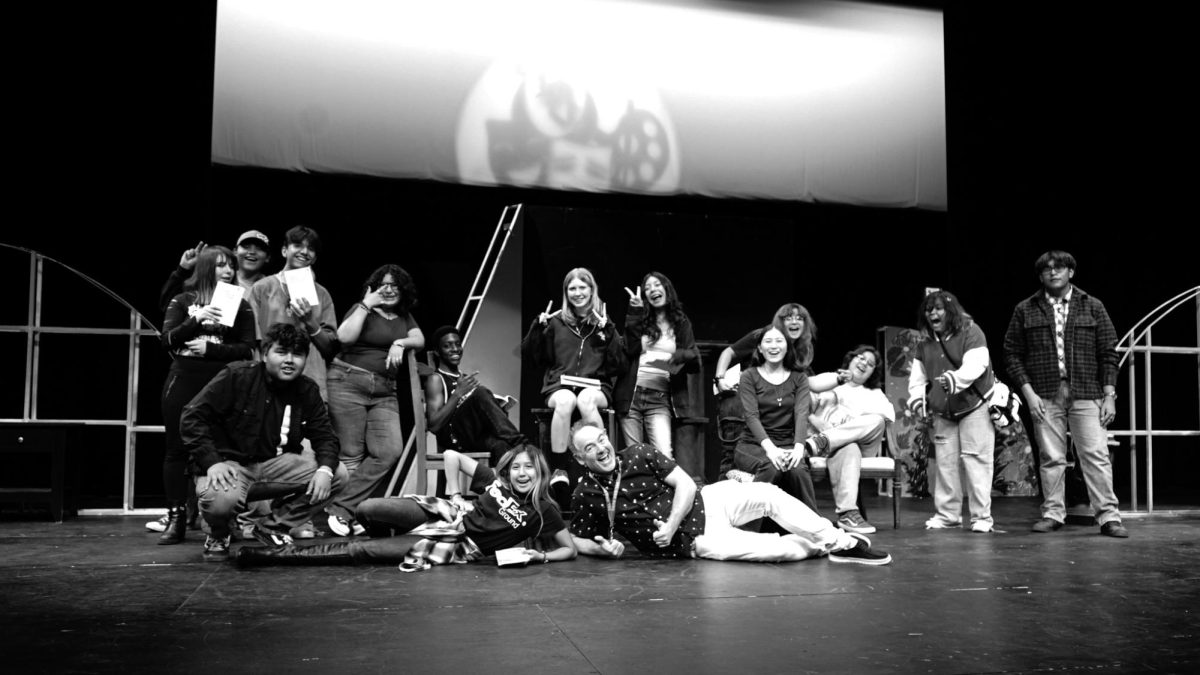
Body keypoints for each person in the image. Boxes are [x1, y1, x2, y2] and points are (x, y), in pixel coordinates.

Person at [567, 421, 890, 565]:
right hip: (695, 543)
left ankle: (842, 543)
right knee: (781, 553)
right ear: (581, 458)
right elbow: (579, 537)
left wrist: (671, 522)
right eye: (590, 447)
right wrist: (603, 550)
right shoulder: (585, 493)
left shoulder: (638, 453)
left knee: (768, 493)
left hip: (707, 500)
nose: (601, 448)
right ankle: (821, 545)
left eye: (602, 439)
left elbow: (685, 483)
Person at [235, 445, 577, 569]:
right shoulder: (495, 481)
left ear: (540, 472)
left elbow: (570, 549)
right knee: (367, 508)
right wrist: (457, 495)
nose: (521, 473)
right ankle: (395, 532)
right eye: (516, 467)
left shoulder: (544, 511)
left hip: (454, 545)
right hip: (444, 513)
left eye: (528, 467)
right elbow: (453, 456)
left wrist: (541, 556)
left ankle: (264, 557)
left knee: (362, 551)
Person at [180, 323, 348, 562]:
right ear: (264, 353)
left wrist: (324, 470)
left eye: (297, 354)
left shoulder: (307, 389)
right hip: (229, 467)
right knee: (219, 500)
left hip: (273, 467)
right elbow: (192, 417)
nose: (290, 360)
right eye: (282, 352)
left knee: (337, 473)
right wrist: (212, 462)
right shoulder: (237, 375)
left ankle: (272, 526)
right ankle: (219, 533)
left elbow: (325, 436)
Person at [1003, 251, 1127, 538]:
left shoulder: (1092, 305)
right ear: (1040, 276)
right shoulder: (1026, 308)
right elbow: (1012, 353)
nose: (1053, 272)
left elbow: (1109, 351)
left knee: (1095, 455)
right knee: (1051, 457)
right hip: (1045, 392)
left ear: (1071, 272)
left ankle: (1109, 517)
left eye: (1059, 267)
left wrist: (1109, 394)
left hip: (1086, 390)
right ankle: (1053, 513)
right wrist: (1028, 393)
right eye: (1046, 269)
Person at [155, 245, 257, 544]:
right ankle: (176, 519)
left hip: (224, 384)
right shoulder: (183, 300)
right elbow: (167, 340)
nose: (228, 271)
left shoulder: (240, 305)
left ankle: (229, 517)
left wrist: (211, 349)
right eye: (221, 265)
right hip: (185, 379)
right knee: (176, 449)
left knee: (227, 451)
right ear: (206, 268)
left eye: (231, 266)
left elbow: (247, 347)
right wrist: (197, 320)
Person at [323, 264, 425, 537]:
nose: (389, 290)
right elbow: (344, 337)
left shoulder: (404, 317)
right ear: (374, 287)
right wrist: (367, 304)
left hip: (384, 390)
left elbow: (419, 338)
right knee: (351, 455)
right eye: (384, 285)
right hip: (348, 381)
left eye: (395, 285)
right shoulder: (362, 309)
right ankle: (345, 514)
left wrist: (399, 343)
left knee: (389, 451)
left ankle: (341, 508)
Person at [521, 267, 625, 507]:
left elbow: (618, 364)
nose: (577, 293)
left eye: (582, 287)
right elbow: (531, 356)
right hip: (560, 385)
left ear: (591, 290)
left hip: (595, 387)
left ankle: (600, 462)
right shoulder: (556, 322)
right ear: (566, 292)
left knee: (586, 400)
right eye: (572, 288)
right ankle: (559, 469)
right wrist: (537, 328)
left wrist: (608, 333)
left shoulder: (603, 323)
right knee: (567, 399)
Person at [906, 290, 996, 533]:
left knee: (977, 461)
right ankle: (948, 515)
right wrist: (917, 398)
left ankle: (981, 518)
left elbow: (978, 364)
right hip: (944, 412)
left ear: (950, 310)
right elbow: (917, 378)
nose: (933, 313)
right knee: (945, 464)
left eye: (938, 308)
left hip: (973, 406)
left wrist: (956, 380)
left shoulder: (970, 331)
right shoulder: (924, 343)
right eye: (928, 310)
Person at [712, 303, 817, 480]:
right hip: (743, 398)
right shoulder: (763, 336)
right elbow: (729, 352)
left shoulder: (802, 348)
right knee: (732, 455)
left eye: (799, 318)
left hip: (771, 407)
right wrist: (719, 377)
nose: (794, 321)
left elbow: (805, 381)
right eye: (788, 317)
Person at [804, 344, 895, 535]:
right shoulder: (830, 380)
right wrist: (815, 420)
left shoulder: (875, 394)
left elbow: (886, 422)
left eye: (870, 364)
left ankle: (825, 440)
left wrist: (847, 426)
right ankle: (848, 514)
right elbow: (801, 397)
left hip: (862, 445)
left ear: (872, 372)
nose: (864, 363)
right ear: (851, 359)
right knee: (849, 446)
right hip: (833, 446)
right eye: (860, 358)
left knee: (877, 420)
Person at [613, 271, 702, 459]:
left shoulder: (681, 322)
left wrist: (671, 359)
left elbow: (695, 361)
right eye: (647, 288)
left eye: (657, 284)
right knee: (635, 458)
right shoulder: (641, 319)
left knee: (664, 458)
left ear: (666, 288)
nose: (652, 289)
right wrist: (634, 312)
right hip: (632, 395)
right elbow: (628, 348)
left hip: (659, 398)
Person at [732, 325, 820, 513]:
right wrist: (771, 450)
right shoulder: (749, 376)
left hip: (788, 443)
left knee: (798, 470)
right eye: (768, 341)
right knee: (772, 466)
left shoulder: (799, 378)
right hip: (753, 445)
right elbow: (751, 416)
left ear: (787, 347)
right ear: (760, 348)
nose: (774, 346)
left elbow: (801, 414)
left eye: (779, 341)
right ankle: (748, 527)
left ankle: (818, 531)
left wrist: (798, 448)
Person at [247, 225, 339, 402]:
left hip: (310, 380)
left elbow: (329, 348)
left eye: (311, 249)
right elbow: (252, 341)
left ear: (315, 257)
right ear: (284, 250)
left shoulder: (322, 294)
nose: (304, 252)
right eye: (297, 245)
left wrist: (310, 321)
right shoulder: (262, 288)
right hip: (268, 381)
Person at [424, 325, 527, 467]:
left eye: (457, 344)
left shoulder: (465, 379)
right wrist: (458, 394)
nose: (455, 349)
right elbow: (434, 426)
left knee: (502, 446)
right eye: (447, 346)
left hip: (476, 437)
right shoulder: (436, 379)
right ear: (437, 351)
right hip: (455, 439)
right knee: (480, 392)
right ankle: (521, 444)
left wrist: (499, 407)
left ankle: (502, 487)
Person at [157, 230, 272, 314]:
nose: (252, 252)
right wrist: (182, 270)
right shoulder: (216, 280)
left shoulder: (272, 287)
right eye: (246, 246)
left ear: (268, 257)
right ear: (235, 251)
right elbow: (168, 308)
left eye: (259, 248)